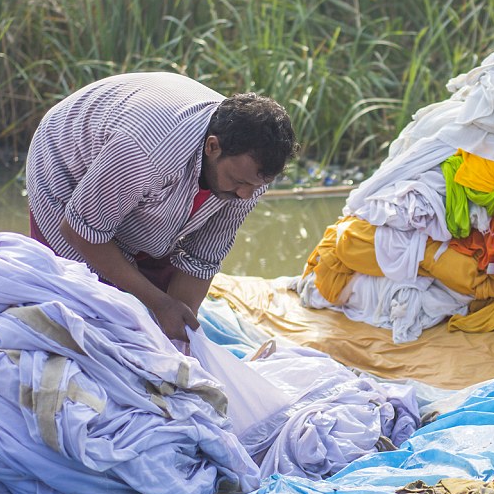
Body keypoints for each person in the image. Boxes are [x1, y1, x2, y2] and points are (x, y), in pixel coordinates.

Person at [25, 72, 299, 342]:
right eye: (238, 182)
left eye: (254, 186)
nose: (245, 195)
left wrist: (180, 333)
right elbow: (80, 230)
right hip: (67, 166)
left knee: (153, 321)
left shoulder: (249, 176)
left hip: (136, 171)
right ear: (212, 147)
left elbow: (201, 258)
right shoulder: (148, 153)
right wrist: (160, 304)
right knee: (95, 310)